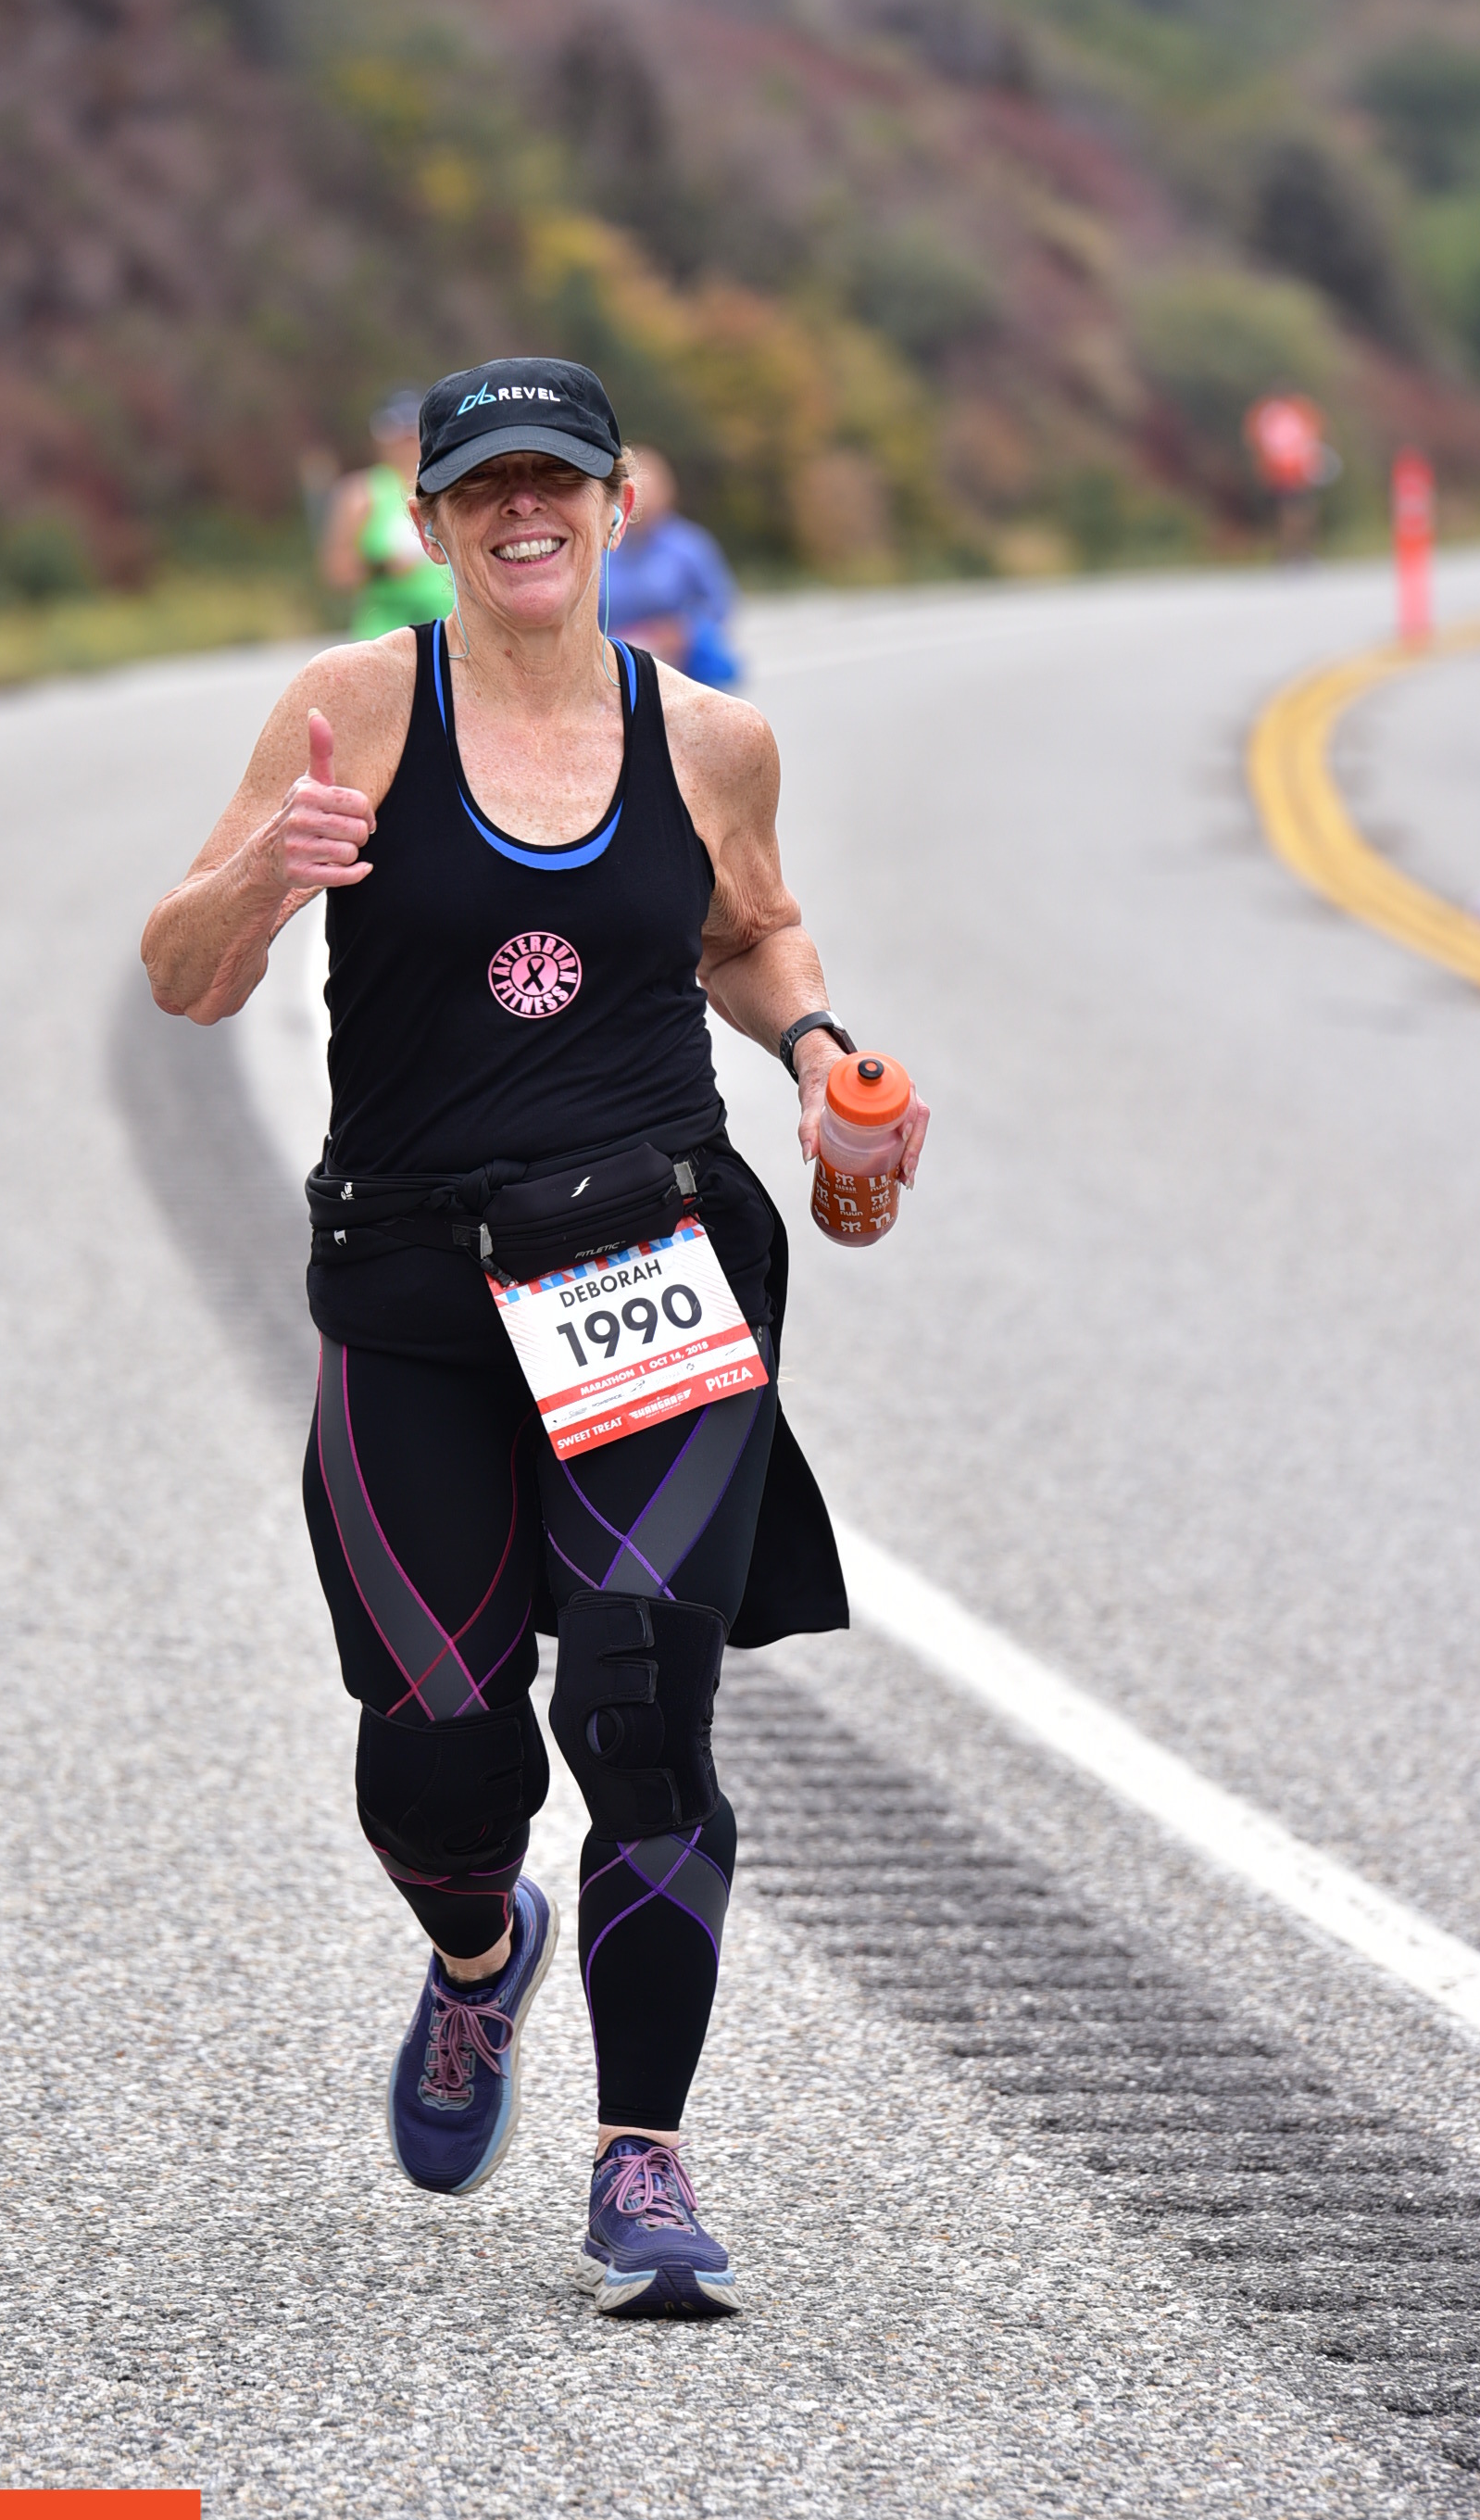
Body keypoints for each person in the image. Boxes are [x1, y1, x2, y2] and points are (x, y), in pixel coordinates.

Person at [142, 356, 928, 2317]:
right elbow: (183, 976)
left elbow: (750, 928)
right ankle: (479, 1961)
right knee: (439, 1753)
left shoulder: (708, 736)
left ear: (611, 504)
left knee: (640, 1710)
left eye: (553, 481)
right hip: (410, 1285)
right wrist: (264, 871)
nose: (521, 510)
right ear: (426, 521)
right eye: (480, 484)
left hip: (637, 1262)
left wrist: (818, 1052)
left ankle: (638, 2153)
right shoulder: (349, 712)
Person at [320, 389, 457, 639]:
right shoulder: (362, 493)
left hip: (448, 631)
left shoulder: (451, 486)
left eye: (412, 430)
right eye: (398, 432)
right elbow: (337, 570)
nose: (407, 441)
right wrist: (383, 567)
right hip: (385, 632)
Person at [599, 446, 740, 687]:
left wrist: (682, 631)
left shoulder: (689, 545)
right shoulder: (602, 547)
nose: (642, 499)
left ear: (667, 490)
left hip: (684, 674)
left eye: (649, 488)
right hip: (618, 675)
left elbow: (720, 604)